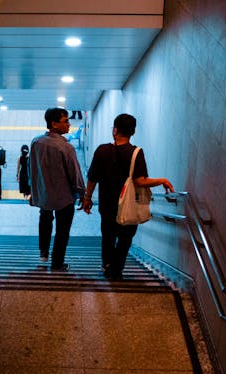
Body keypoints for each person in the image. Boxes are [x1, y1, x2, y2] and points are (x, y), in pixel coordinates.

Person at [81, 113, 173, 280]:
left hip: (107, 206)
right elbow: (140, 181)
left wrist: (87, 199)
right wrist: (162, 180)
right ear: (133, 132)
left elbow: (92, 178)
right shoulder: (136, 153)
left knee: (108, 237)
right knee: (125, 240)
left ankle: (107, 264)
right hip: (129, 206)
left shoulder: (102, 150)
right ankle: (116, 271)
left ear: (115, 130)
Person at [29, 108, 85, 271]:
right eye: (65, 121)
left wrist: (33, 190)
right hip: (63, 196)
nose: (69, 124)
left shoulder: (36, 141)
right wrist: (82, 192)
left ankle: (43, 252)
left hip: (44, 193)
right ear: (53, 124)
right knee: (63, 229)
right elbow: (74, 173)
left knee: (45, 220)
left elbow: (30, 167)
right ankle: (57, 263)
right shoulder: (65, 147)